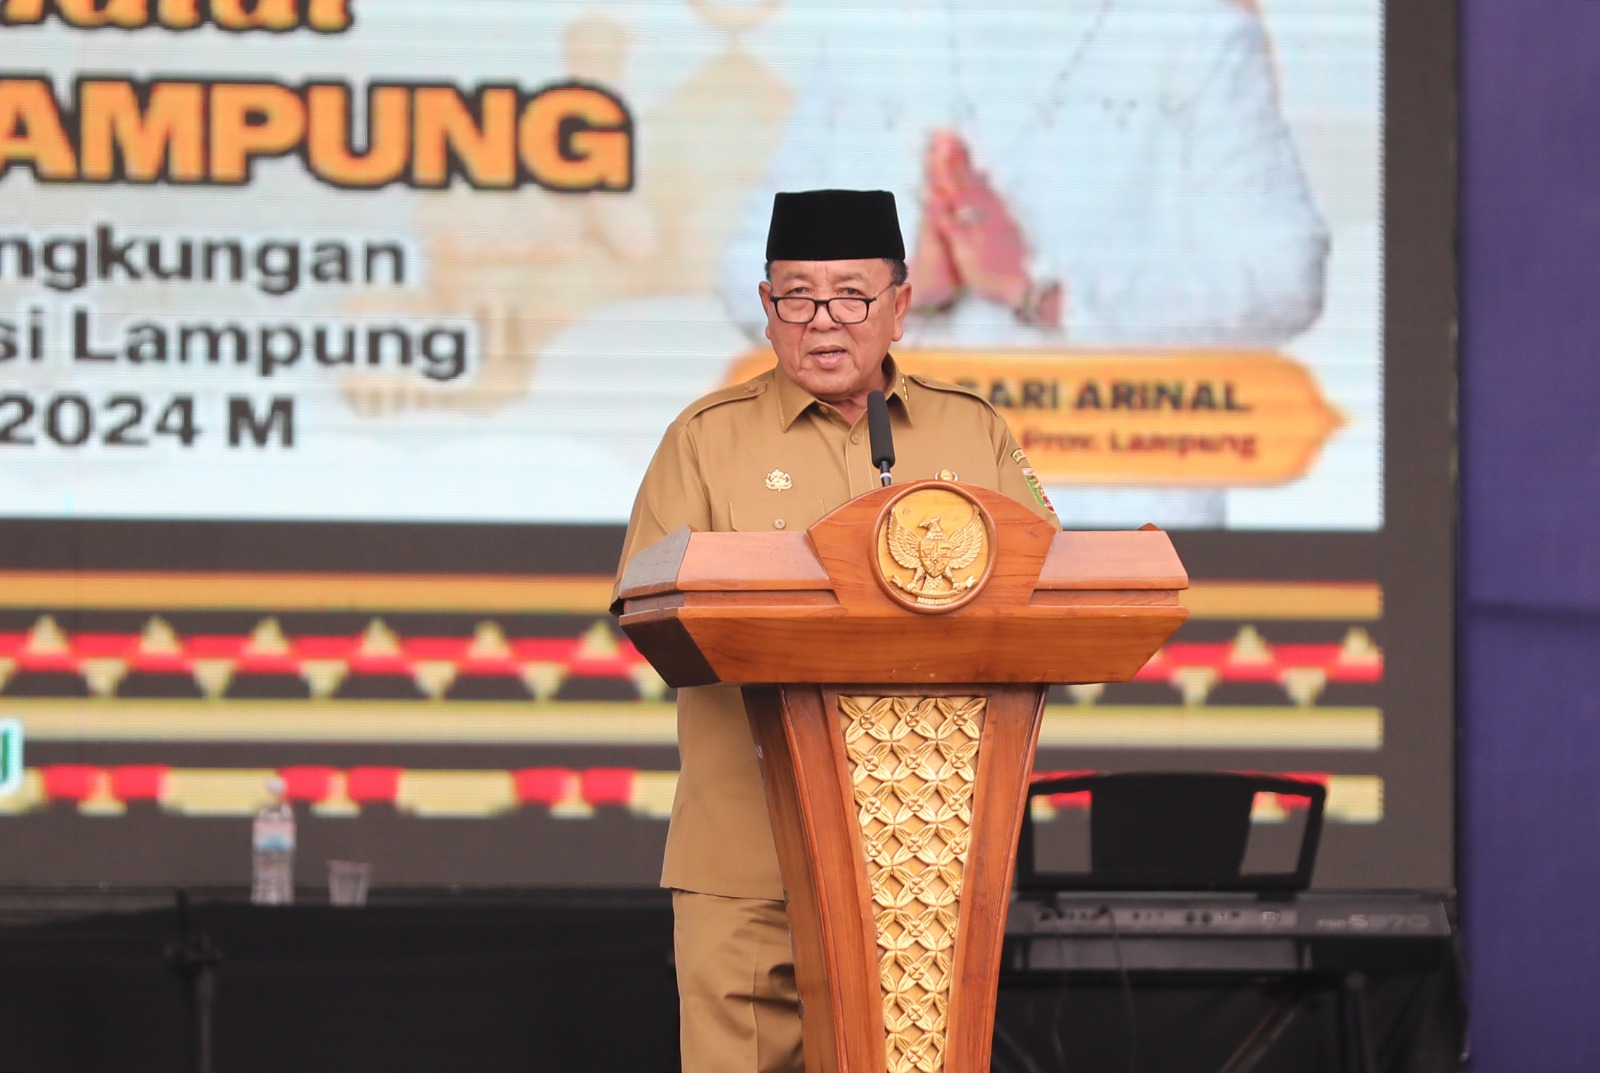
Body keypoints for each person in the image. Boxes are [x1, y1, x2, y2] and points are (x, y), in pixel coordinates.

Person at [613, 189, 1057, 1073]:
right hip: (747, 853)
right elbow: (646, 609)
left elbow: (1047, 593)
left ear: (900, 304)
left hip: (925, 856)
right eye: (797, 297)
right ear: (767, 306)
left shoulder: (972, 431)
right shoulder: (705, 440)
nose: (824, 321)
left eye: (851, 296)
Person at [718, 0, 1330, 527]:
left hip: (1115, 524)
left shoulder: (1196, 33)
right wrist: (888, 289)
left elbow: (1284, 277)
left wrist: (1043, 287)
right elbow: (747, 274)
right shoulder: (873, 30)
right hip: (880, 523)